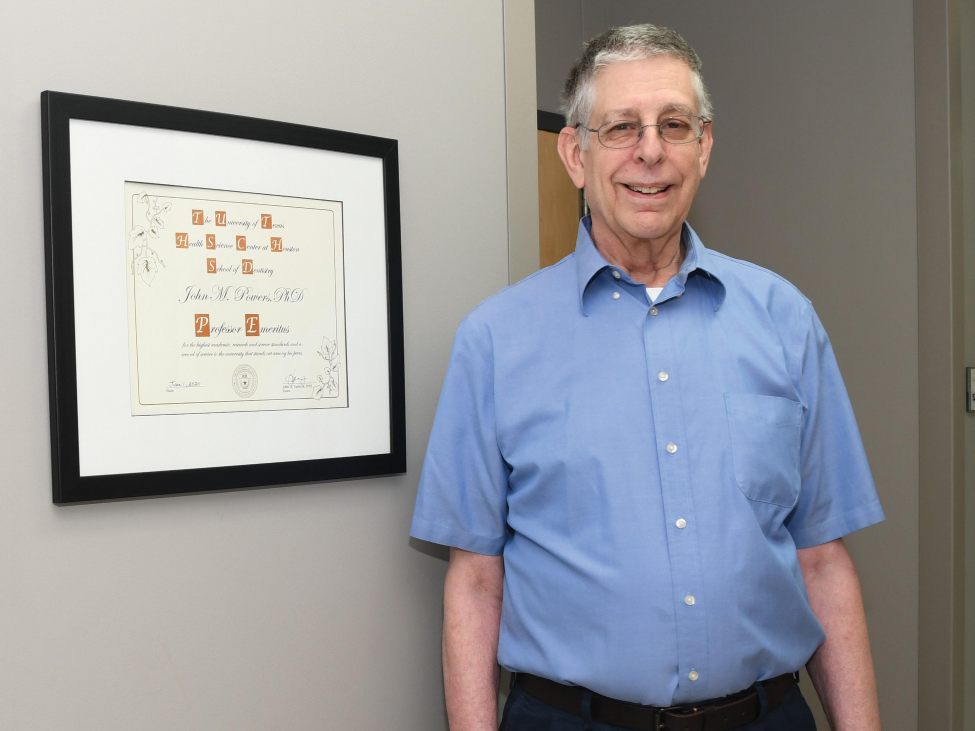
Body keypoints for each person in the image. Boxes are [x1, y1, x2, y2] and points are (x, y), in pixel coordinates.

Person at [410, 23, 884, 731]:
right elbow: (475, 581)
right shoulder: (496, 340)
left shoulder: (784, 318)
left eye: (674, 125)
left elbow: (822, 558)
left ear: (704, 147)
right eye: (621, 127)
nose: (651, 151)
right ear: (575, 154)